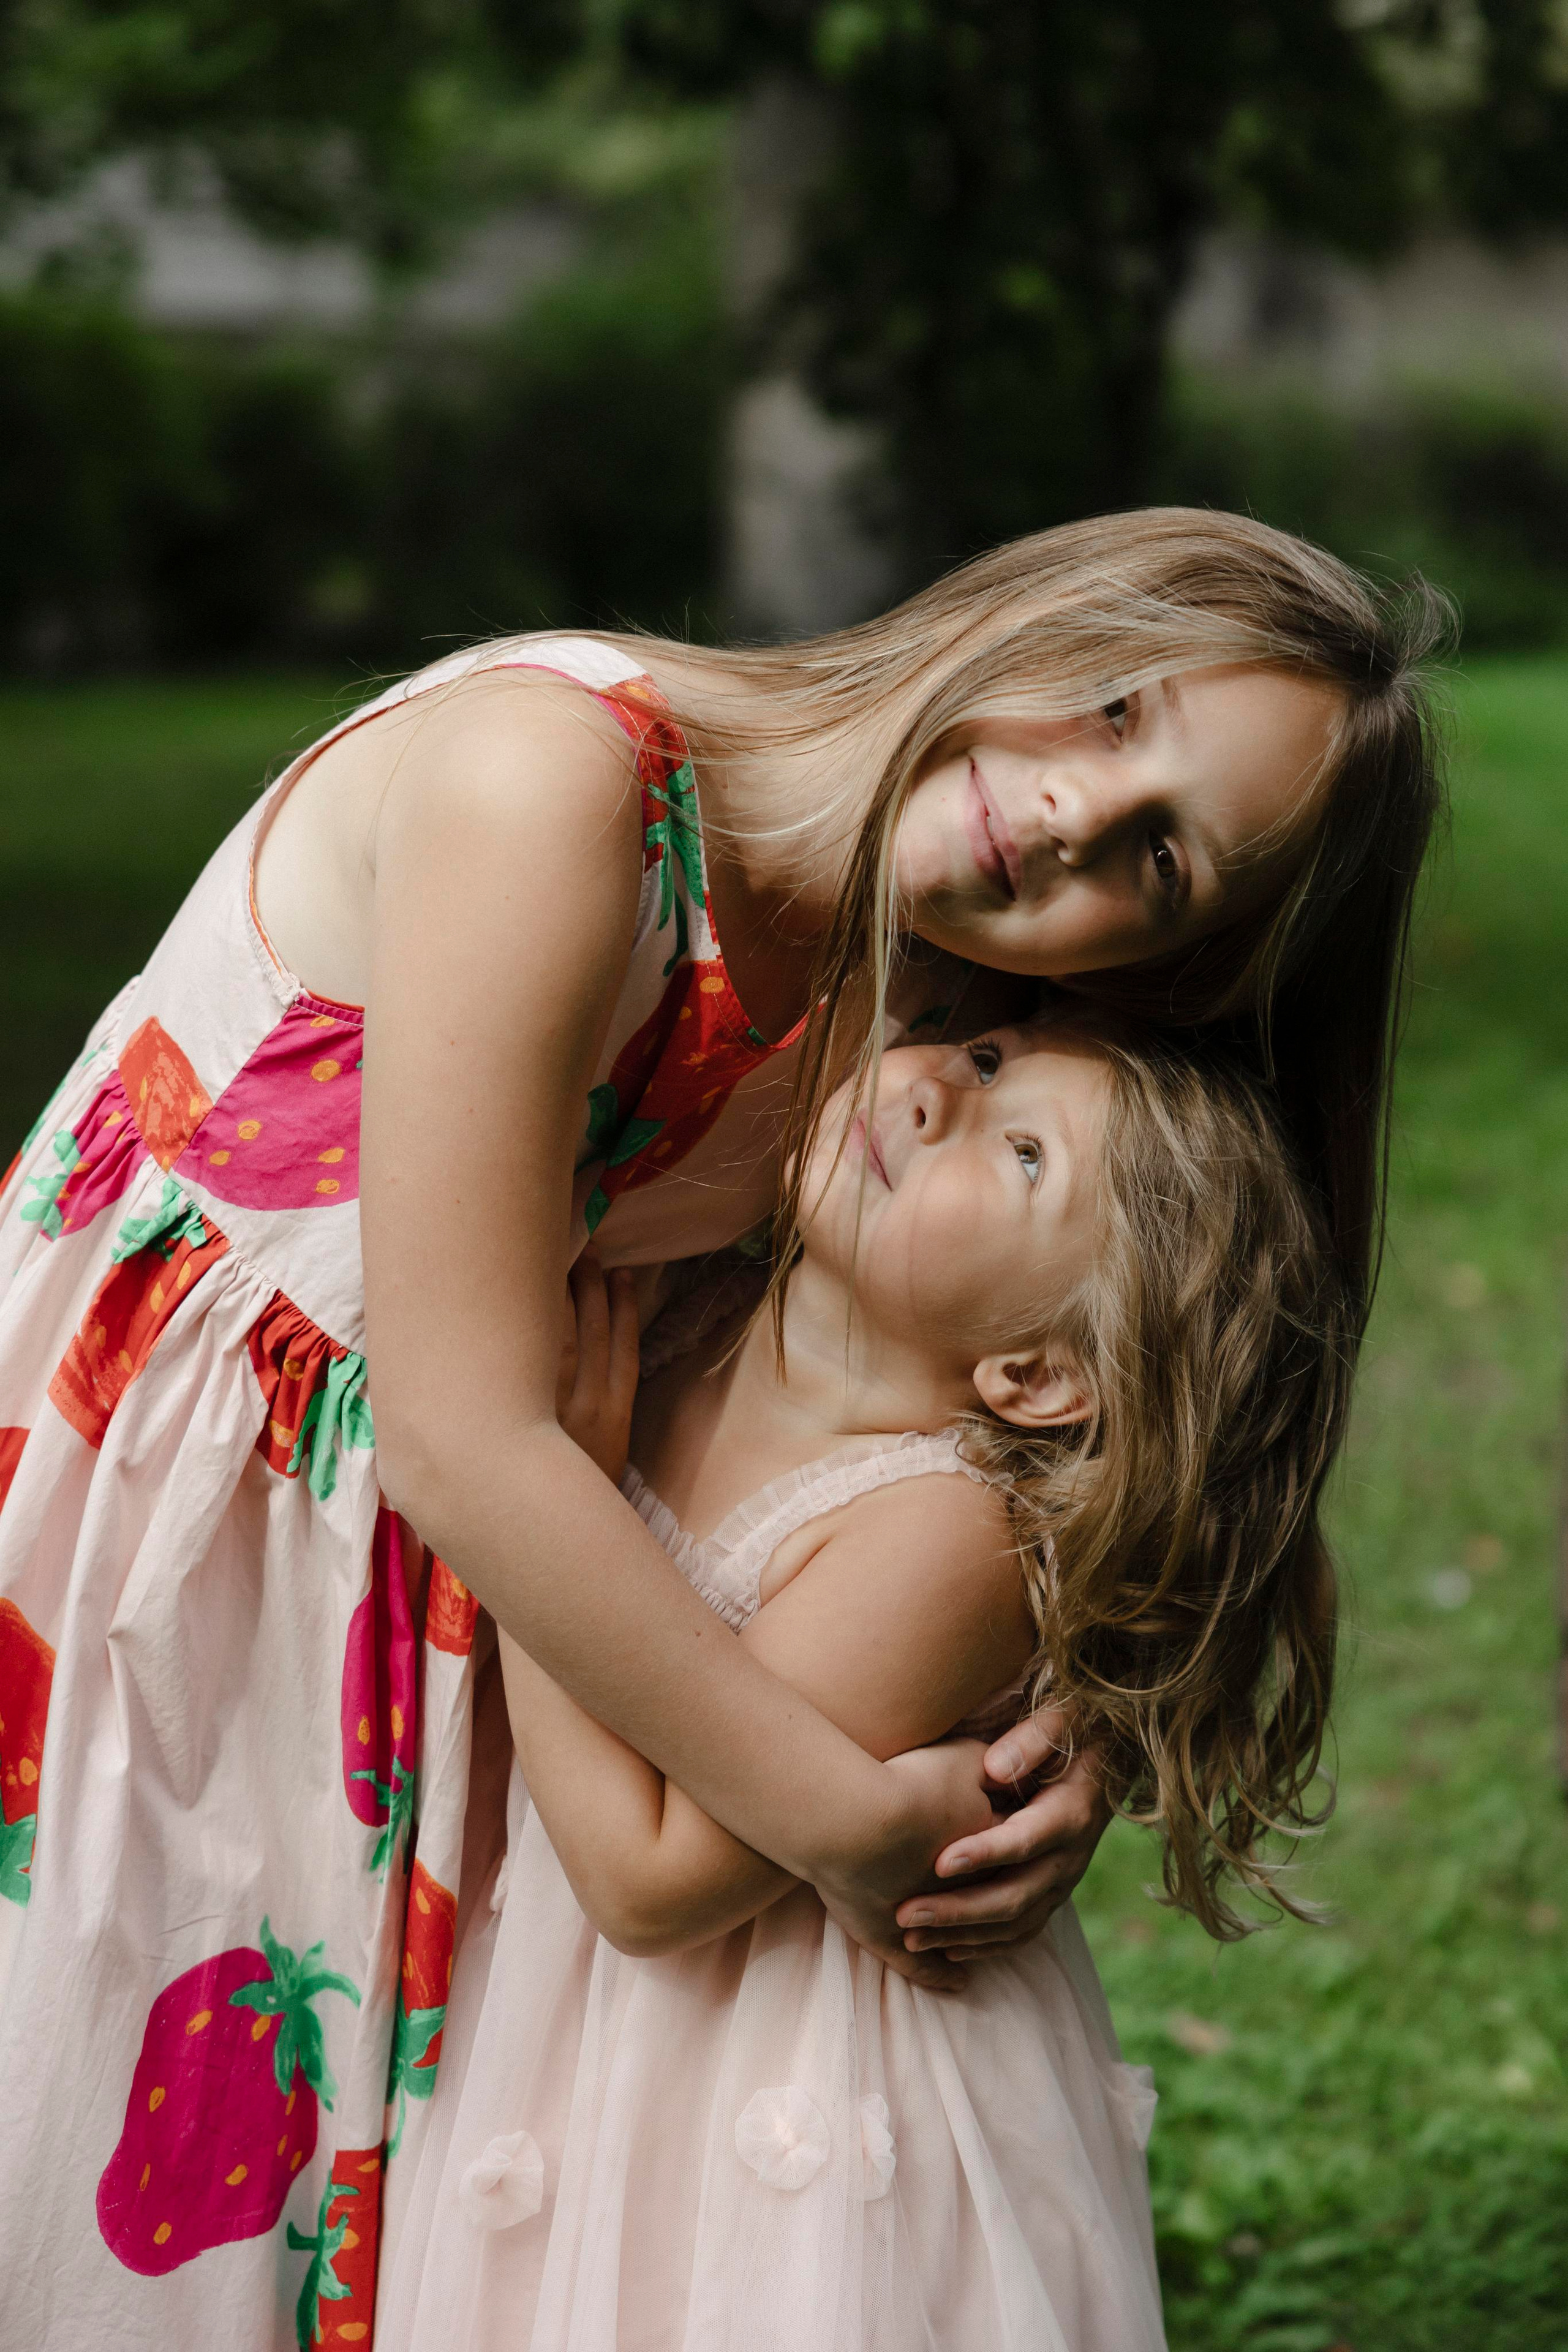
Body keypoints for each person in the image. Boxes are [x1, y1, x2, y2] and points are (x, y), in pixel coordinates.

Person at [0, 511, 1442, 2345]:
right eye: (1107, 704)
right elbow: (464, 1440)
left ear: (1151, 969)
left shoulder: (918, 983)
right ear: (1028, 614)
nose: (1080, 810)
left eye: (1159, 858)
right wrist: (848, 1813)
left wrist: (1062, 1685)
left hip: (482, 1618)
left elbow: (1157, 1300)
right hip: (168, 1547)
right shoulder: (563, 786)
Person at [377, 1009, 1351, 2350]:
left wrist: (547, 1494)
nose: (935, 1091)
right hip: (568, 2022)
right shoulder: (685, 1307)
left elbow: (646, 1878)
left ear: (1037, 1373)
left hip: (770, 2095)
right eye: (986, 1053)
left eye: (1021, 1158)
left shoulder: (942, 1537)